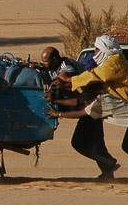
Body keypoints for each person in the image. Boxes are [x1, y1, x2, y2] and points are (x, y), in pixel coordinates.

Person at [69, 35, 128, 160]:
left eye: (97, 50)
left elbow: (94, 76)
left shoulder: (114, 63)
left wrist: (70, 80)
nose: (94, 53)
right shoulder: (113, 62)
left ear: (105, 49)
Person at [39, 46, 119, 178]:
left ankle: (109, 163)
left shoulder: (66, 68)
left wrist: (57, 88)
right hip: (87, 105)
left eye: (46, 61)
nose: (44, 64)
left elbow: (68, 84)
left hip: (89, 106)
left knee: (79, 143)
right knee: (97, 142)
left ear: (55, 59)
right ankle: (107, 172)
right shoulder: (55, 67)